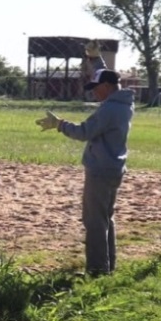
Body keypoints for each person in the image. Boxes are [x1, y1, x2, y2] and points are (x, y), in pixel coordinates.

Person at [37, 57, 134, 276]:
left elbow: (84, 132)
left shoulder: (109, 110)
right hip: (114, 169)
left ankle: (97, 270)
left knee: (94, 221)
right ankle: (107, 266)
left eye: (96, 88)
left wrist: (59, 124)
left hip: (100, 172)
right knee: (105, 218)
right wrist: (96, 60)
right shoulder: (123, 103)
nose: (94, 93)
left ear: (107, 87)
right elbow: (109, 76)